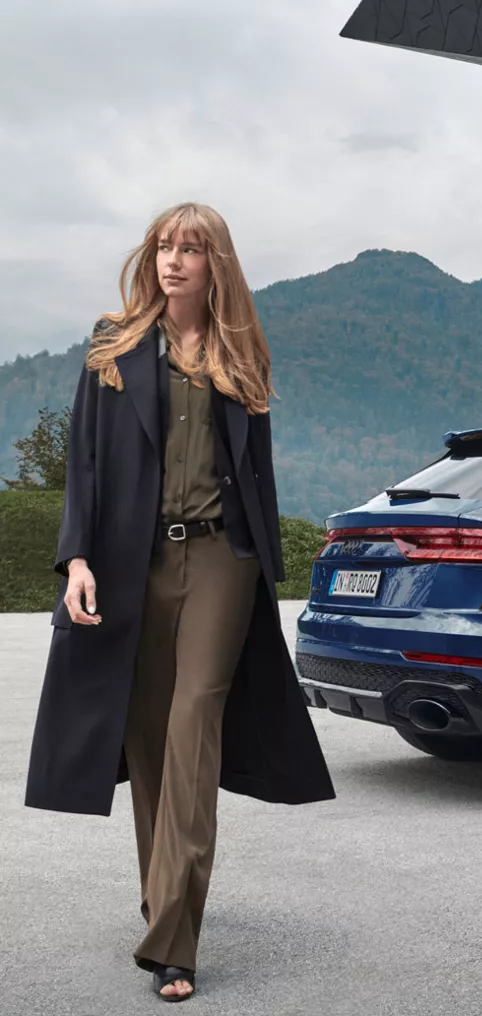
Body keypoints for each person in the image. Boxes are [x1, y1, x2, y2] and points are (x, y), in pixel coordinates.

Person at [24, 201, 334, 1002]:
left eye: (190, 249)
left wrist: (268, 560)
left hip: (222, 560)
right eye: (165, 245)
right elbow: (84, 465)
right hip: (133, 563)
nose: (173, 260)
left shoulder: (242, 355)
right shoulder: (113, 349)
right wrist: (77, 558)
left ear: (214, 264)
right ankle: (166, 894)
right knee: (148, 736)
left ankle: (174, 940)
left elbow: (256, 475)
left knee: (195, 721)